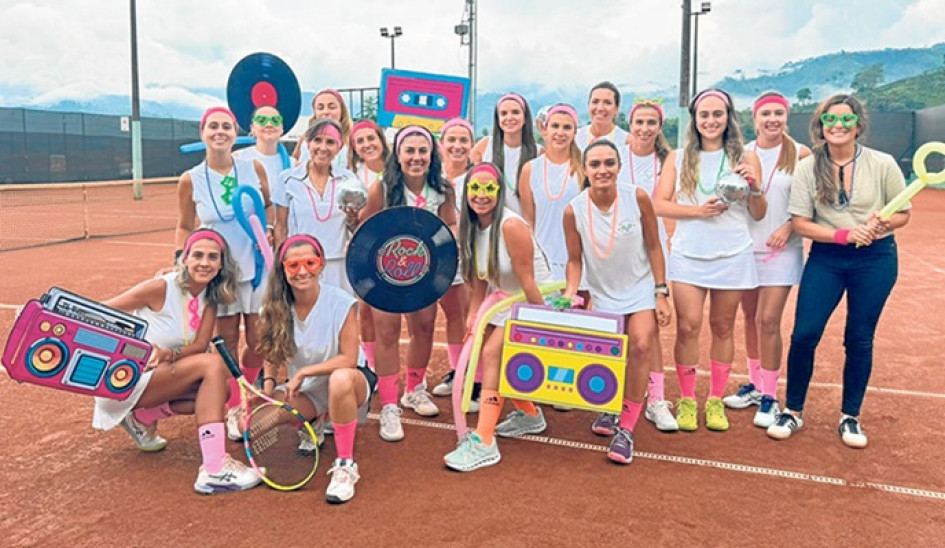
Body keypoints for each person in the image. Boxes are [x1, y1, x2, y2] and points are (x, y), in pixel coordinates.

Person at [767, 94, 909, 448]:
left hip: (875, 259)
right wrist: (843, 235)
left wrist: (882, 223)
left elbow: (903, 213)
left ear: (858, 125)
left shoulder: (883, 163)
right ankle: (793, 410)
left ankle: (850, 417)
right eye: (831, 120)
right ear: (821, 126)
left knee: (859, 337)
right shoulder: (807, 167)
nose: (838, 127)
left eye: (846, 120)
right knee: (804, 334)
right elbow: (800, 222)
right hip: (827, 258)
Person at [93, 229, 263, 494]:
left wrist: (167, 355)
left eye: (212, 257)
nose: (204, 263)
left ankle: (141, 417)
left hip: (159, 378)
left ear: (221, 265)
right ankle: (215, 467)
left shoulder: (209, 299)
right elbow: (102, 311)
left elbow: (196, 346)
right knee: (213, 365)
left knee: (221, 390)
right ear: (184, 259)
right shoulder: (160, 287)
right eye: (197, 255)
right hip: (125, 380)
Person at [653, 88, 766, 432]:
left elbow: (759, 214)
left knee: (722, 326)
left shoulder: (746, 157)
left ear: (729, 118)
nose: (711, 121)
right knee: (687, 327)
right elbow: (658, 204)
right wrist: (697, 212)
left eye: (718, 114)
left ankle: (715, 400)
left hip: (733, 253)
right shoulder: (678, 157)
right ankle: (687, 399)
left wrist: (756, 186)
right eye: (704, 115)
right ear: (695, 120)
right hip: (689, 254)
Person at [562, 141, 672, 463]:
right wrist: (572, 291)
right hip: (603, 292)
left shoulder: (637, 197)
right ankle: (610, 409)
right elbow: (574, 259)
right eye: (594, 164)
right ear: (584, 169)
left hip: (639, 288)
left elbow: (654, 246)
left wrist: (661, 291)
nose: (602, 170)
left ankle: (626, 428)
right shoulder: (574, 210)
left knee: (640, 345)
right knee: (610, 352)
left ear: (619, 167)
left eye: (609, 163)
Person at [443, 162, 553, 472]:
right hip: (505, 299)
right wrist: (473, 318)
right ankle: (530, 415)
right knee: (481, 350)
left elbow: (530, 282)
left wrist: (541, 326)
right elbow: (480, 278)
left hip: (532, 299)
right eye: (475, 188)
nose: (481, 195)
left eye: (488, 188)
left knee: (494, 355)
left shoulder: (510, 225)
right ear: (466, 194)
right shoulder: (471, 226)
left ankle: (485, 440)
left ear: (499, 191)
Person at [174, 106, 271, 440]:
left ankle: (245, 386)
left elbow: (266, 207)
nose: (219, 132)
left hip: (256, 270)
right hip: (219, 273)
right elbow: (186, 224)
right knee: (227, 340)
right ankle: (233, 405)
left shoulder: (253, 167)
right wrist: (180, 261)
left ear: (235, 132)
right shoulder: (190, 179)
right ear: (203, 133)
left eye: (226, 126)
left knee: (259, 341)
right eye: (213, 126)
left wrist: (268, 233)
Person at [256, 234, 376, 503]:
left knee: (340, 379)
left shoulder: (342, 302)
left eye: (310, 263)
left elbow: (348, 358)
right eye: (294, 265)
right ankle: (314, 420)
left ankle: (345, 464)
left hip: (349, 382)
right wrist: (268, 389)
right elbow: (272, 356)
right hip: (309, 389)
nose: (302, 272)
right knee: (251, 425)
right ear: (284, 270)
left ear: (321, 265)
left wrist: (304, 372)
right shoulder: (274, 307)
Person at [360, 125, 458, 441]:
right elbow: (366, 229)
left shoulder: (444, 190)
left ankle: (414, 389)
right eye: (409, 151)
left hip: (423, 274)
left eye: (422, 151)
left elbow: (450, 226)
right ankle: (389, 405)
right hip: (385, 274)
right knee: (387, 332)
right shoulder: (382, 189)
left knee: (425, 326)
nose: (416, 158)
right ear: (398, 156)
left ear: (432, 156)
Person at [722, 92, 811, 428]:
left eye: (778, 113)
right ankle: (757, 386)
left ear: (786, 117)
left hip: (782, 249)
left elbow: (814, 202)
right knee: (750, 318)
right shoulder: (744, 154)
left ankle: (772, 396)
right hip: (747, 248)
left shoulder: (801, 153)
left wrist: (790, 227)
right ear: (755, 118)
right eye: (765, 114)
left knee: (769, 320)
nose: (772, 119)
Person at [620, 98, 678, 431]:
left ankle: (656, 399)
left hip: (651, 253)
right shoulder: (615, 153)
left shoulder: (669, 161)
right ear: (630, 124)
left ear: (660, 126)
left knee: (650, 329)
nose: (644, 128)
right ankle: (614, 397)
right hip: (614, 254)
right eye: (639, 122)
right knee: (616, 327)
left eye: (651, 122)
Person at [275, 118, 360, 295]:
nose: (323, 147)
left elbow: (354, 226)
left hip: (338, 265)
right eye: (317, 140)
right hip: (301, 265)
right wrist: (279, 266)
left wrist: (352, 219)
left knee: (339, 317)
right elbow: (281, 228)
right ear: (308, 143)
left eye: (330, 142)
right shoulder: (287, 179)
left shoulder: (349, 180)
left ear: (339, 147)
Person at [431, 117, 477, 402]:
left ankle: (476, 378)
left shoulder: (479, 176)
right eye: (452, 140)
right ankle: (458, 370)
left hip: (473, 258)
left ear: (472, 145)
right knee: (453, 316)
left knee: (473, 315)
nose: (458, 146)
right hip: (442, 258)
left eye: (464, 141)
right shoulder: (433, 180)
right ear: (441, 144)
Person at [518, 104, 586, 292]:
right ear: (544, 129)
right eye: (555, 126)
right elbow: (529, 219)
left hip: (578, 259)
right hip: (543, 260)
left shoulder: (584, 169)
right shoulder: (530, 169)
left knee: (576, 316)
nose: (560, 133)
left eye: (567, 127)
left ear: (575, 132)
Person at [347, 119, 389, 371]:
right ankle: (371, 365)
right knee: (367, 310)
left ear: (381, 139)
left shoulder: (399, 167)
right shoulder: (353, 175)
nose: (366, 145)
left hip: (397, 245)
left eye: (371, 138)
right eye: (359, 141)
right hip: (366, 248)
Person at [471, 93, 539, 214]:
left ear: (525, 117)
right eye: (503, 114)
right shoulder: (485, 146)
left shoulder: (539, 152)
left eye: (515, 112)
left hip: (524, 223)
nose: (509, 118)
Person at [234, 105, 290, 221]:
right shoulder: (237, 159)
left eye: (275, 121)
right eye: (261, 120)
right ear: (252, 128)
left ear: (282, 128)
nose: (269, 124)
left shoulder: (294, 165)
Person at [294, 89, 352, 172]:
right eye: (320, 108)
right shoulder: (306, 136)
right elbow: (294, 162)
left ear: (342, 110)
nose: (326, 112)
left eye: (332, 107)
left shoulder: (353, 138)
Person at [575, 81, 629, 151]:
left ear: (616, 109)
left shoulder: (627, 141)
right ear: (588, 105)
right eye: (595, 102)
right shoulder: (575, 138)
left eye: (607, 103)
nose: (600, 108)